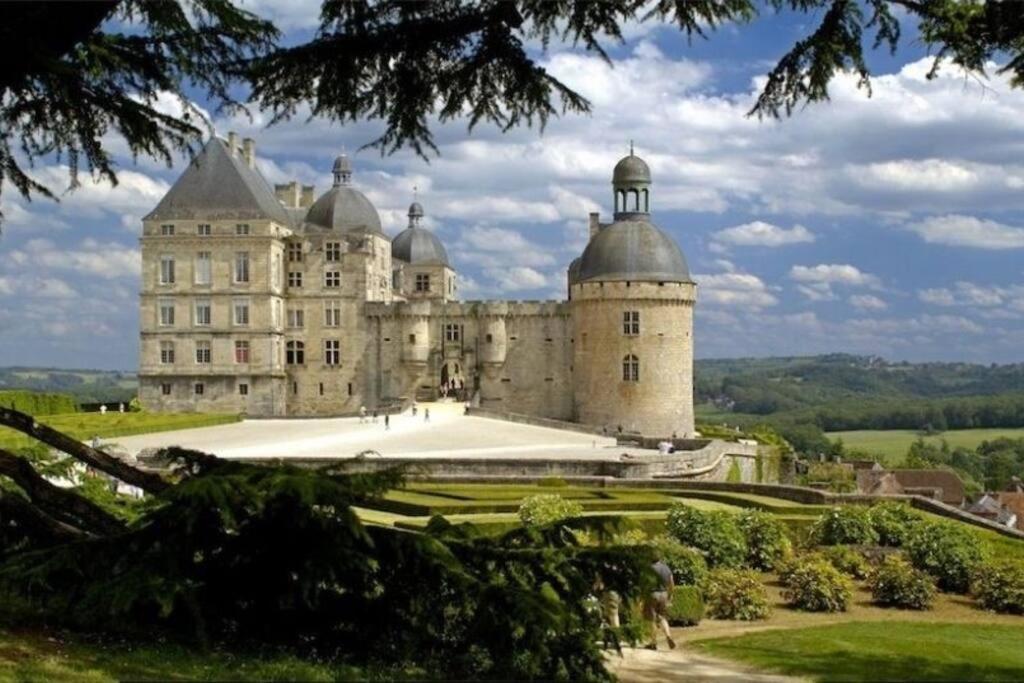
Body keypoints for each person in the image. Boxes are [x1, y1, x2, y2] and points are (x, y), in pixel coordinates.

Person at [644, 558, 676, 650]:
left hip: (652, 594)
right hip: (663, 594)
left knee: (652, 619)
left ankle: (653, 643)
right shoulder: (666, 568)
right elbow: (671, 583)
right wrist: (670, 595)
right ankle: (668, 635)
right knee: (662, 617)